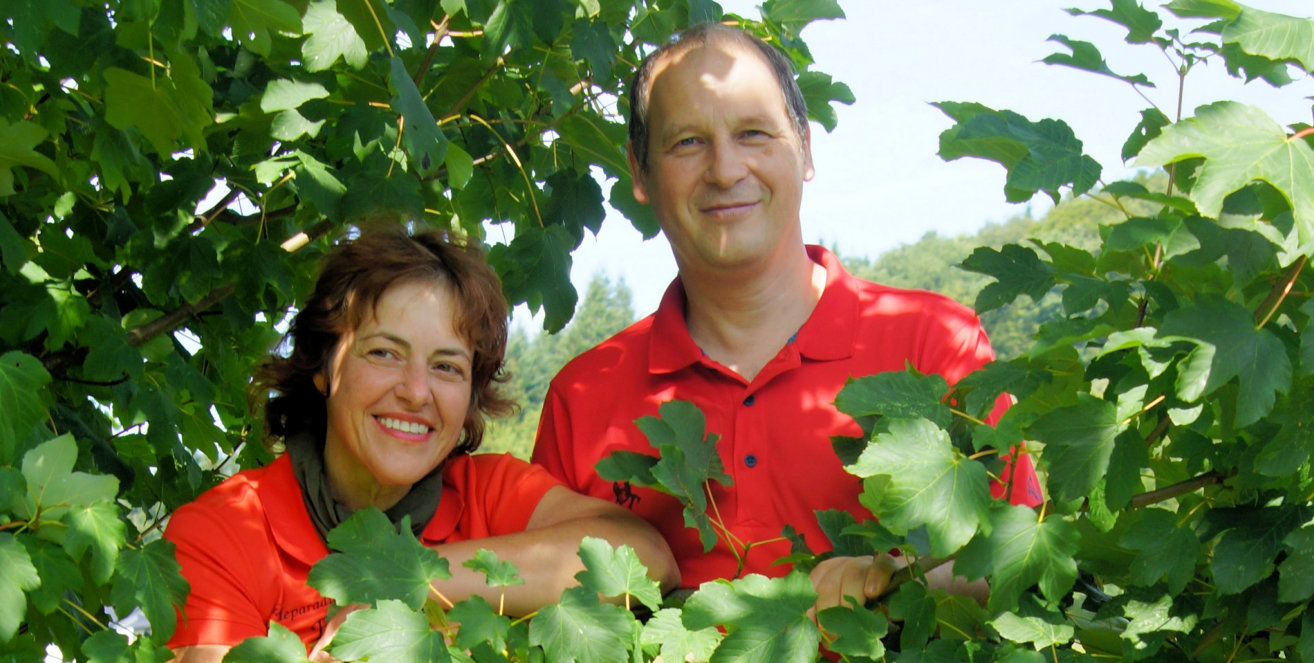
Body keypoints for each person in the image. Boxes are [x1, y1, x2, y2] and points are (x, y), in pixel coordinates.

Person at [530, 22, 1042, 612]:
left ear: (804, 147)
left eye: (753, 133)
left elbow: (1021, 555)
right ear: (640, 172)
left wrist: (895, 576)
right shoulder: (583, 395)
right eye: (687, 143)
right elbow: (550, 601)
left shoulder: (935, 342)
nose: (725, 170)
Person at [165, 226, 679, 661]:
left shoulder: (489, 494)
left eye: (446, 366)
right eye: (384, 353)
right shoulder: (225, 534)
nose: (415, 392)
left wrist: (408, 581)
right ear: (322, 367)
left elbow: (646, 559)